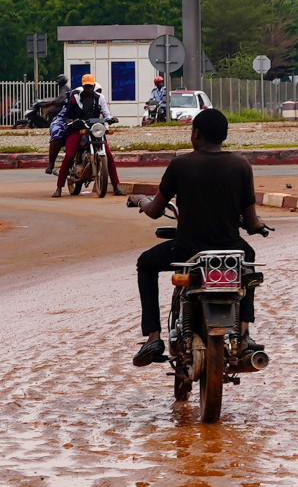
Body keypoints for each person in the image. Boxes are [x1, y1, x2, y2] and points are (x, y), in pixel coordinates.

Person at [130, 108, 268, 367]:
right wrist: (259, 225)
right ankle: (244, 332)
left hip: (187, 251)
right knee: (248, 261)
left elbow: (156, 210)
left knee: (145, 263)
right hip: (229, 251)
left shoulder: (181, 164)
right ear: (224, 135)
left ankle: (153, 336)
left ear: (196, 134)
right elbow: (251, 222)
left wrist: (141, 201)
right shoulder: (241, 165)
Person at [52, 75, 125, 197]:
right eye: (86, 86)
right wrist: (70, 120)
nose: (89, 89)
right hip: (77, 129)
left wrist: (111, 119)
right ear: (83, 86)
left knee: (108, 155)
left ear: (93, 86)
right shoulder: (75, 98)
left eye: (90, 86)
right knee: (69, 155)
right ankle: (59, 187)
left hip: (94, 129)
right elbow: (67, 114)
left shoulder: (99, 98)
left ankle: (116, 186)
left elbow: (106, 113)